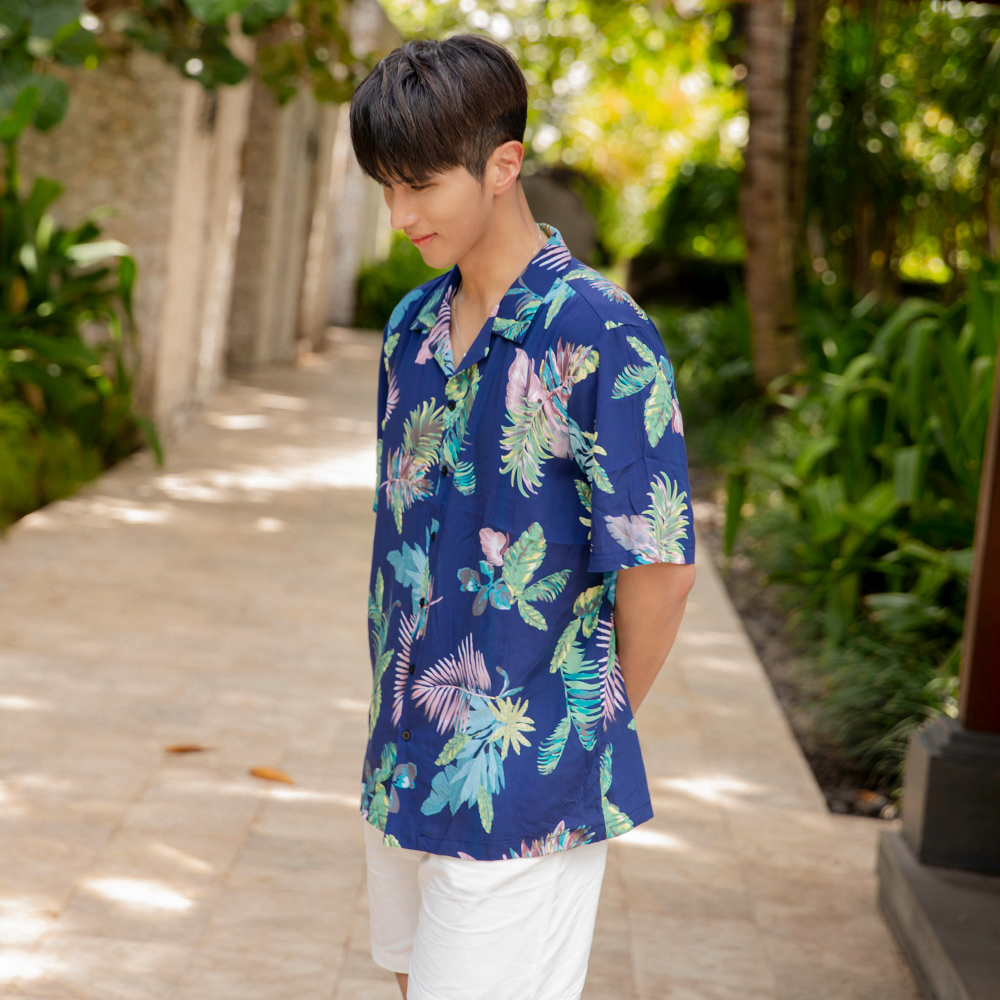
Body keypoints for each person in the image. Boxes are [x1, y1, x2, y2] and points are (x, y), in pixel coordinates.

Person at [350, 33, 695, 1000]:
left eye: (420, 185)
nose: (400, 215)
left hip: (523, 783)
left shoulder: (604, 334)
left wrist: (572, 737)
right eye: (386, 186)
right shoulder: (411, 330)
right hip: (401, 758)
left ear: (503, 166)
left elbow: (660, 568)